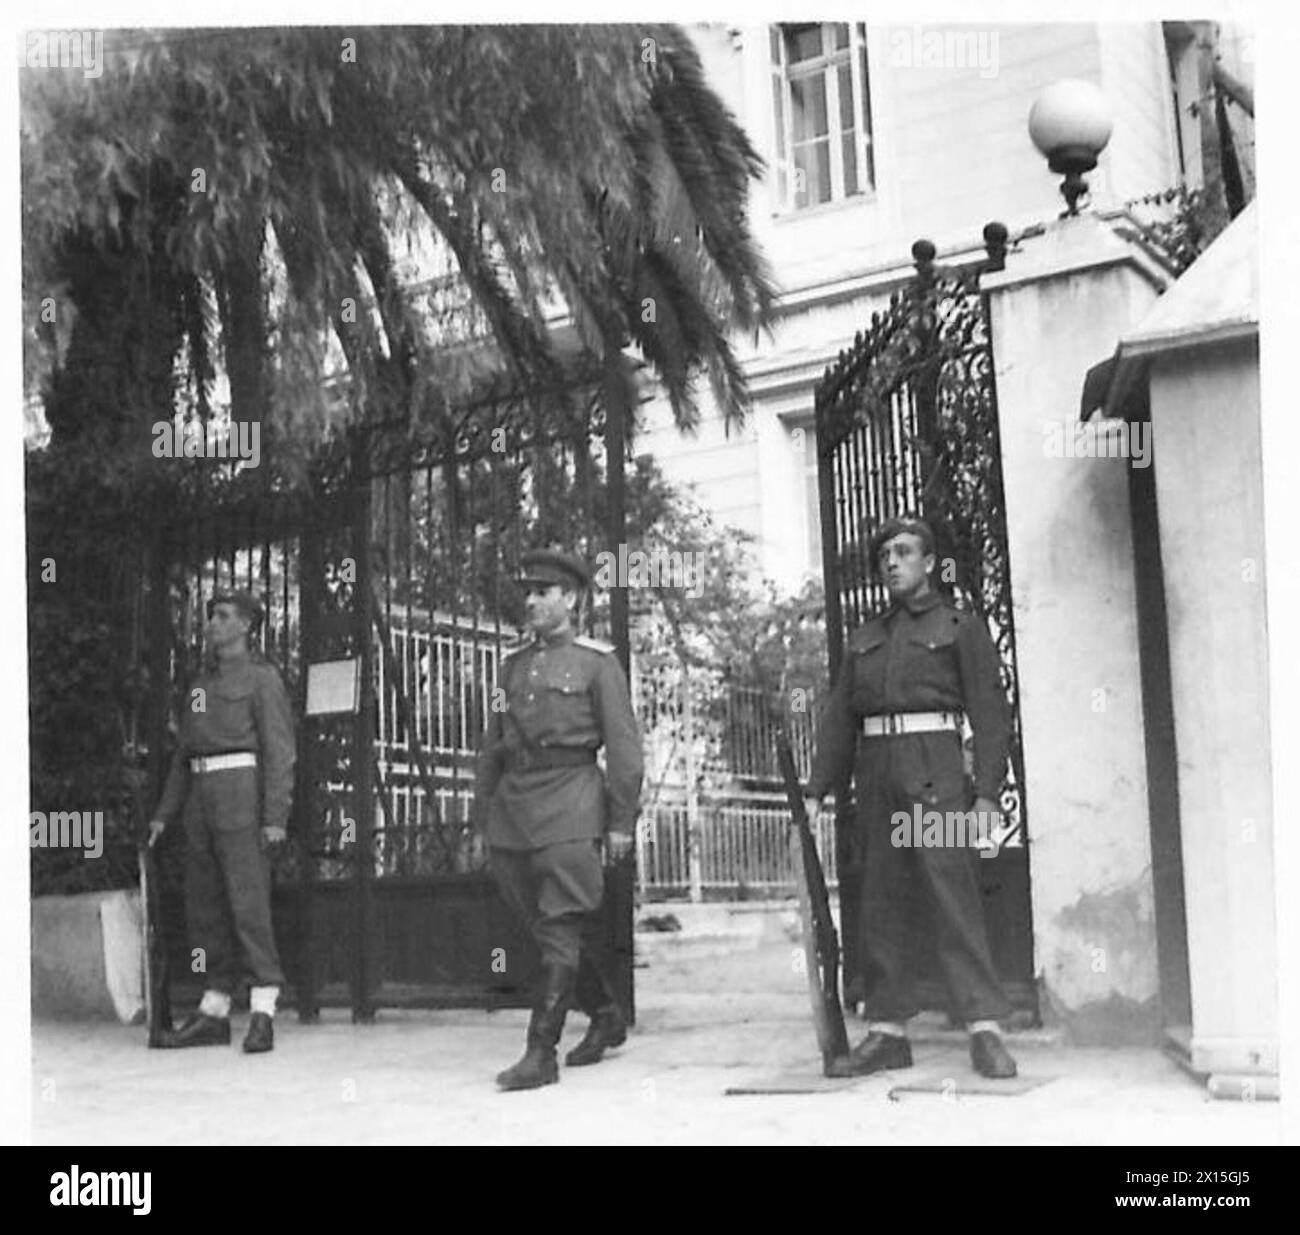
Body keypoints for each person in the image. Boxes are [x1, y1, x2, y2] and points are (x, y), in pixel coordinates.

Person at [806, 515, 1018, 1079]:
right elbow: (838, 720)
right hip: (877, 776)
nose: (893, 563)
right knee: (882, 900)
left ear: (928, 562)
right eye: (885, 557)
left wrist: (989, 794)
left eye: (904, 552)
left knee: (952, 894)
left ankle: (984, 1028)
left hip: (937, 772)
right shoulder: (865, 639)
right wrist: (817, 789)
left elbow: (991, 715)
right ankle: (888, 1031)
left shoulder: (958, 627)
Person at [473, 549, 644, 1091]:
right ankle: (607, 1014)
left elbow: (624, 749)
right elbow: (491, 745)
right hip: (515, 807)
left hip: (572, 799)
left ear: (571, 599)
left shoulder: (598, 663)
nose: (531, 601)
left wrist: (620, 821)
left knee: (561, 922)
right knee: (541, 928)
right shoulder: (511, 666)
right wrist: (482, 818)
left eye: (544, 592)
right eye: (528, 591)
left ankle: (539, 1051)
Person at [147, 589, 295, 1054]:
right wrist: (164, 815)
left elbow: (280, 752)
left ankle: (263, 1009)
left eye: (224, 616)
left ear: (247, 626)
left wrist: (275, 817)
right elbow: (182, 755)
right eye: (211, 615)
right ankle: (213, 1009)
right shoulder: (198, 689)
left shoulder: (262, 679)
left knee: (248, 905)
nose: (213, 623)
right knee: (205, 906)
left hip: (241, 796)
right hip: (199, 802)